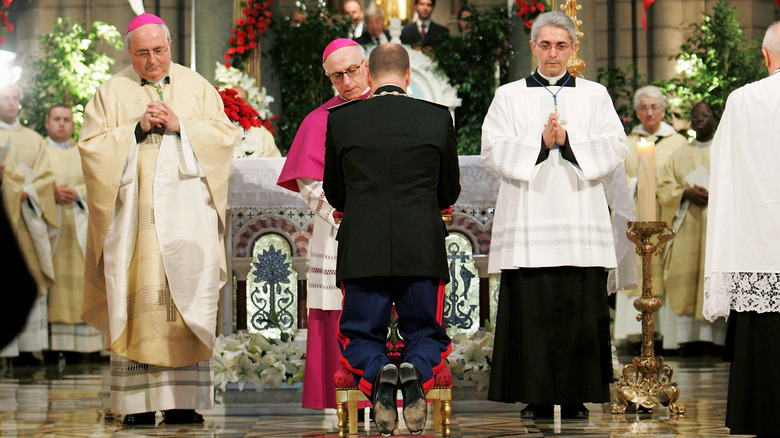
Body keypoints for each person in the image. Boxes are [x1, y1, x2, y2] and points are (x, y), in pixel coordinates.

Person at [78, 13, 237, 425]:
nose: (153, 60)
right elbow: (92, 149)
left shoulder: (196, 87)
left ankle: (184, 402)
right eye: (143, 53)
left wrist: (181, 125)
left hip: (188, 218)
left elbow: (224, 138)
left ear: (170, 47)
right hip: (135, 222)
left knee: (184, 300)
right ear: (129, 53)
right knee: (139, 303)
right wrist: (134, 128)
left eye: (160, 51)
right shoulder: (111, 92)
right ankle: (138, 405)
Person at [481, 11, 634, 420]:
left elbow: (616, 146)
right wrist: (538, 141)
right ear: (533, 46)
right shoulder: (509, 95)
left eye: (560, 46)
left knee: (579, 303)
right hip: (528, 217)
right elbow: (492, 151)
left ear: (573, 48)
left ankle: (576, 394)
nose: (553, 53)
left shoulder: (595, 95)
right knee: (531, 305)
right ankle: (534, 393)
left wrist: (568, 141)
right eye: (545, 45)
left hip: (579, 215)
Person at [323, 42, 460, 436]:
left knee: (361, 333)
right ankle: (415, 370)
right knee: (426, 331)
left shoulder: (343, 119)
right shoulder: (437, 118)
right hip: (421, 247)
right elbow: (448, 192)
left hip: (362, 248)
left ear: (368, 75)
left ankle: (377, 370)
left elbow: (335, 193)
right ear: (408, 76)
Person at [276, 38, 370, 411]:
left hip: (385, 232)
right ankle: (344, 402)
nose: (346, 81)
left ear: (366, 67)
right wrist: (346, 213)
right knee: (336, 315)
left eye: (352, 71)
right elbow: (309, 184)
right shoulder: (319, 120)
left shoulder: (391, 111)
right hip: (337, 233)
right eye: (336, 76)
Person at [703, 20, 780, 437]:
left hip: (758, 247)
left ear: (765, 57)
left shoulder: (743, 100)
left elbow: (724, 176)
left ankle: (761, 414)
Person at [613, 85, 688, 352]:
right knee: (635, 265)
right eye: (644, 108)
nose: (649, 113)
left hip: (668, 216)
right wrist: (639, 185)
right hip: (635, 215)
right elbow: (618, 178)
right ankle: (635, 334)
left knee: (664, 269)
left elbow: (683, 178)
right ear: (637, 112)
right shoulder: (628, 142)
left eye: (654, 107)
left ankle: (665, 333)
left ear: (663, 110)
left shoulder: (678, 142)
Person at [655, 101, 726, 356]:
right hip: (687, 226)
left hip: (717, 228)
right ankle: (687, 340)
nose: (700, 120)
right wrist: (684, 192)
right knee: (685, 278)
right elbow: (663, 187)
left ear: (715, 119)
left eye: (705, 115)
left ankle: (716, 341)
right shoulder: (679, 155)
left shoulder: (726, 150)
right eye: (695, 116)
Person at [0, 83, 58, 364]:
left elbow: (46, 178)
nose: (12, 103)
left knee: (28, 276)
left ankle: (27, 349)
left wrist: (29, 192)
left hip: (28, 218)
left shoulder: (35, 140)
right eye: (6, 99)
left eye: (15, 98)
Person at [43, 104, 104, 363]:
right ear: (47, 123)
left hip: (80, 226)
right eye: (56, 119)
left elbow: (98, 181)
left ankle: (83, 349)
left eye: (66, 120)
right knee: (52, 283)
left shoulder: (83, 152)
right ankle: (49, 346)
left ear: (73, 124)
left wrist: (78, 192)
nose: (61, 124)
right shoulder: (39, 151)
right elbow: (26, 182)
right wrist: (50, 192)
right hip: (49, 228)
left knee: (81, 282)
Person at [230, 86, 281, 158]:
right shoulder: (219, 130)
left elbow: (274, 162)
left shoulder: (262, 133)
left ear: (248, 104)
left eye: (241, 100)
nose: (237, 104)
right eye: (233, 100)